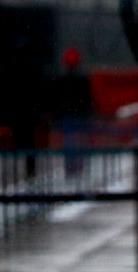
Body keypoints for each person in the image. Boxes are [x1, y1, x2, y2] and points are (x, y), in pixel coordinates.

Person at [50, 47, 93, 179]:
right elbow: (87, 99)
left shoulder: (61, 80)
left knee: (69, 142)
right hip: (79, 116)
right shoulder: (82, 80)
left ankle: (71, 169)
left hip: (68, 116)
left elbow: (56, 99)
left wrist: (56, 115)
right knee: (80, 142)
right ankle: (79, 168)